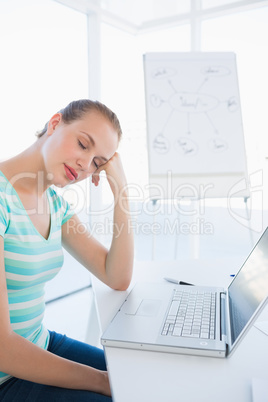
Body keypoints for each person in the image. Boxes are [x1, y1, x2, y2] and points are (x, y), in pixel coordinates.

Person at [0, 99, 134, 401]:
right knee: (119, 391)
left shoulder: (54, 204)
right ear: (55, 124)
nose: (86, 165)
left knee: (139, 377)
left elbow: (116, 276)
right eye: (83, 145)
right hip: (6, 375)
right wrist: (101, 381)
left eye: (98, 162)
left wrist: (121, 191)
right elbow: (3, 350)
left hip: (40, 343)